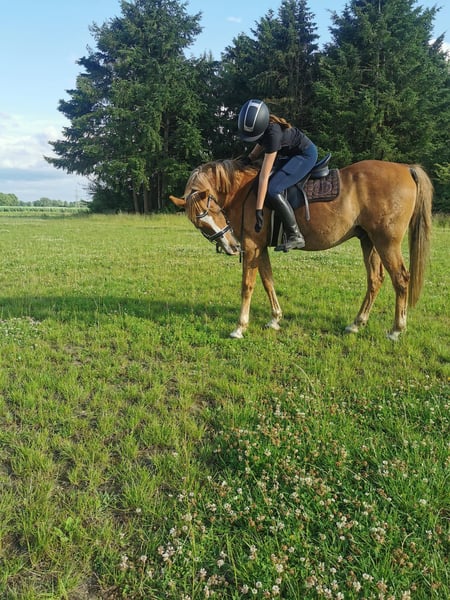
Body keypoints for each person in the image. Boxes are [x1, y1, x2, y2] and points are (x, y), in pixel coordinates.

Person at [238, 98, 318, 251]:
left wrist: (258, 210)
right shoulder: (265, 127)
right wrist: (250, 158)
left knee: (274, 189)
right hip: (290, 155)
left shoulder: (273, 135)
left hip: (305, 155)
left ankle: (295, 235)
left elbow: (264, 176)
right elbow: (261, 141)